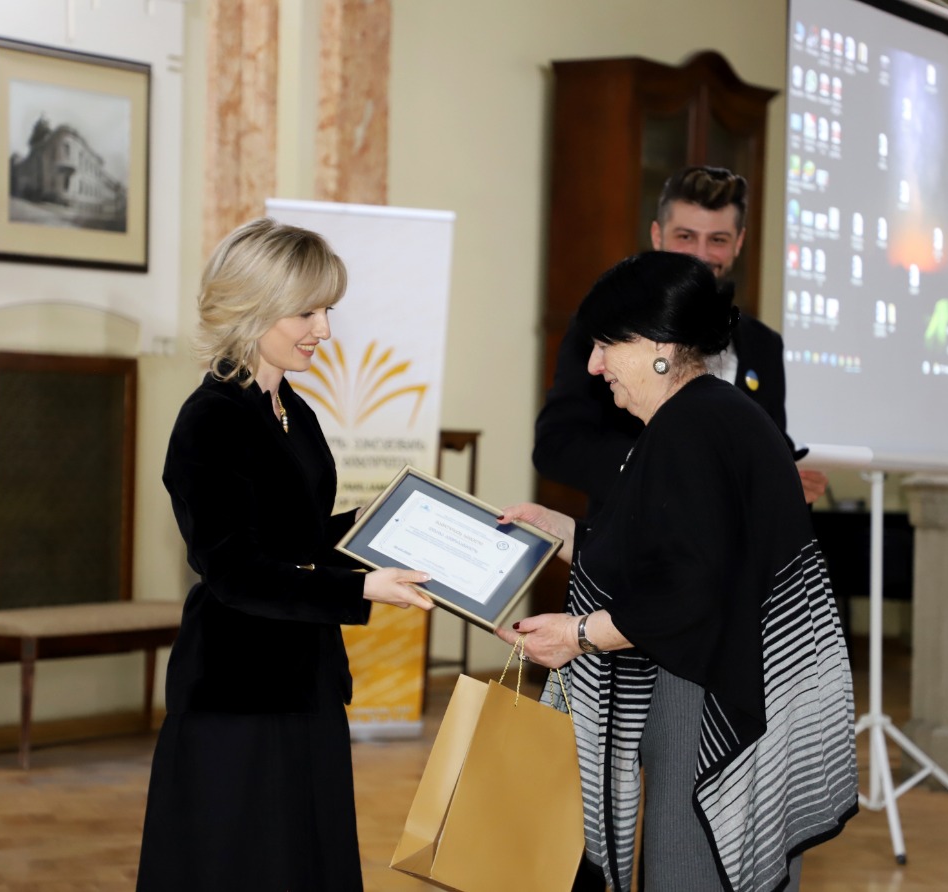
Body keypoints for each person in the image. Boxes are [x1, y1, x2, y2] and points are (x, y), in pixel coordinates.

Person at [499, 252, 856, 892]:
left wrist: (577, 636)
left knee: (687, 871)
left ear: (659, 348)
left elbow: (689, 593)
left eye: (606, 345)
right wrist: (560, 532)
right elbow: (674, 553)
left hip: (706, 696)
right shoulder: (710, 414)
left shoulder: (689, 428)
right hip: (737, 683)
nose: (594, 365)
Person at [136, 218, 433, 891]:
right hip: (239, 692)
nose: (323, 330)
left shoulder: (289, 407)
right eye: (307, 312)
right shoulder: (212, 418)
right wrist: (361, 589)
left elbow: (295, 540)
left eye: (327, 311)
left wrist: (378, 525)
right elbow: (236, 572)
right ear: (253, 306)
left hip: (306, 677)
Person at [534, 165, 828, 511]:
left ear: (739, 243)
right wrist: (660, 468)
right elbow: (556, 444)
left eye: (717, 240)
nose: (700, 254)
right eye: (685, 236)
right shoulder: (605, 330)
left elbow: (765, 447)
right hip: (632, 535)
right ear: (657, 236)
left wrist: (788, 480)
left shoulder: (763, 344)